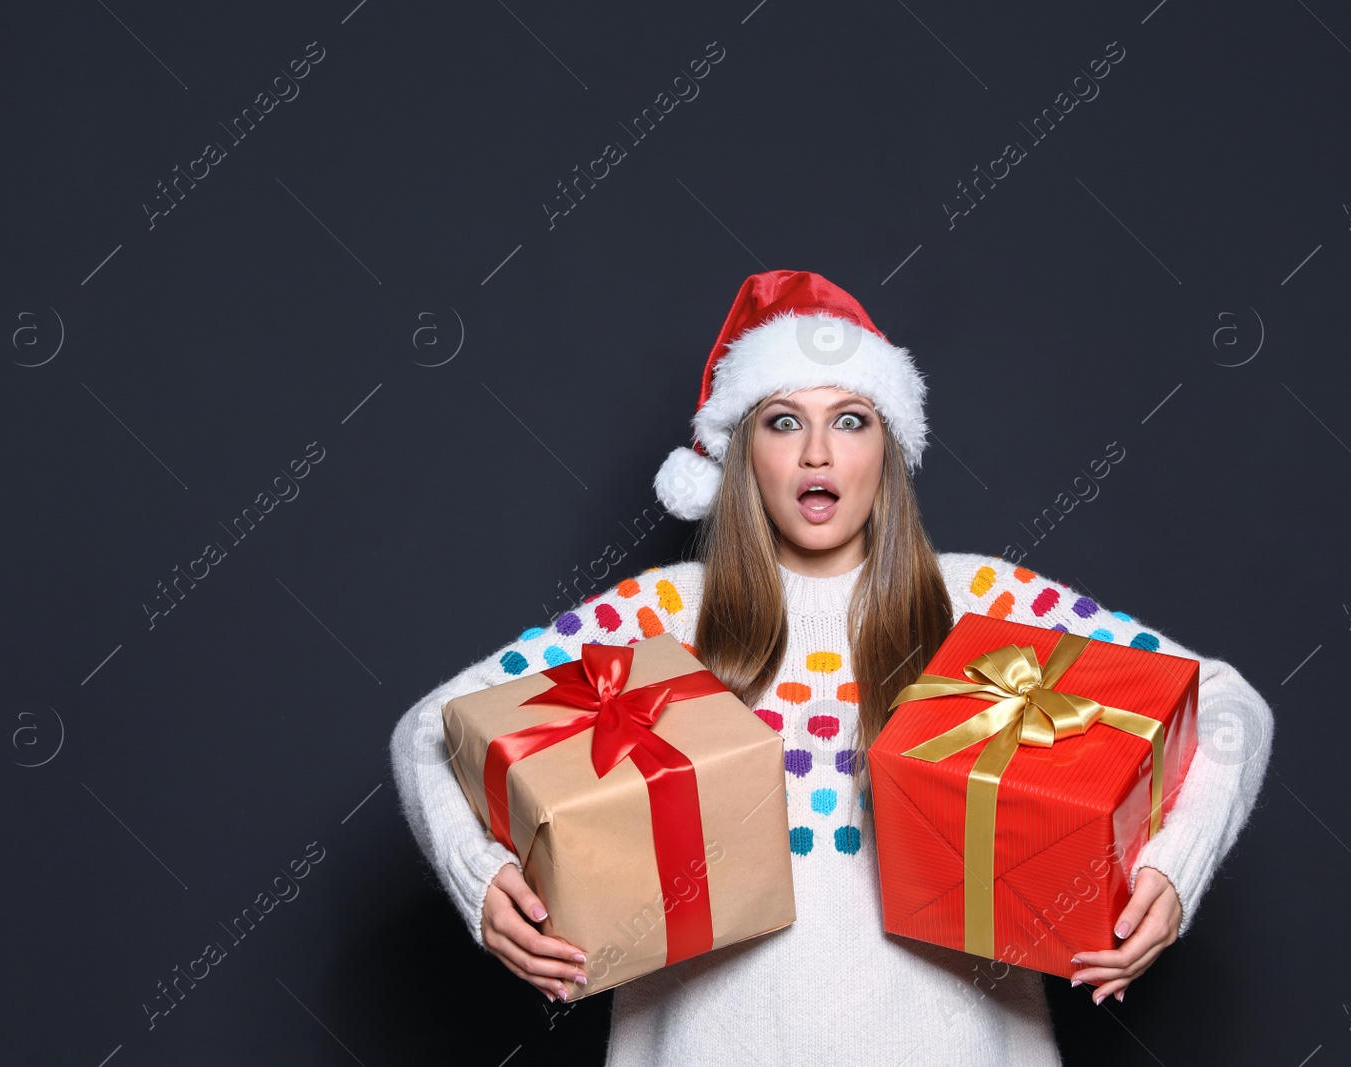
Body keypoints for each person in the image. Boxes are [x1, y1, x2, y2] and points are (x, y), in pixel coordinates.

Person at [389, 270, 1273, 1065]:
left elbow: (1227, 705)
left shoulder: (983, 604)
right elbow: (433, 727)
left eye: (849, 419)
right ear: (743, 454)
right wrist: (484, 880)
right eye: (784, 422)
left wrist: (1172, 869)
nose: (818, 452)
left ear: (886, 446)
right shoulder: (660, 617)